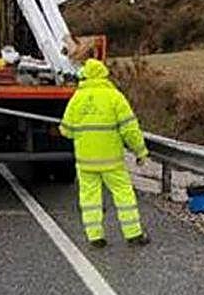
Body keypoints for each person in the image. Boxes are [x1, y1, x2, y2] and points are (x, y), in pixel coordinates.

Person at [59, 58, 150, 248]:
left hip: (85, 162)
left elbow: (66, 130)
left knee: (89, 199)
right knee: (123, 194)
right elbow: (130, 129)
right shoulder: (114, 97)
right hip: (112, 161)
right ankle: (133, 234)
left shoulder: (77, 98)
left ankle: (95, 237)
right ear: (103, 75)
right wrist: (140, 151)